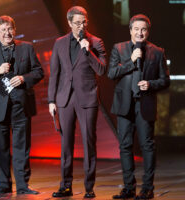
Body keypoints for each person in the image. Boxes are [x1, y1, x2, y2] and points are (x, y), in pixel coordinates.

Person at [0, 15, 44, 195]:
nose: (7, 33)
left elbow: (39, 71)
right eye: (3, 30)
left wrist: (24, 78)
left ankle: (23, 185)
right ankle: (4, 185)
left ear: (14, 30)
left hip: (21, 105)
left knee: (22, 147)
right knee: (0, 148)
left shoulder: (27, 48)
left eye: (10, 29)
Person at [108, 14, 170, 199]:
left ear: (148, 31)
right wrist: (131, 61)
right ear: (130, 30)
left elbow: (165, 80)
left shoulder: (157, 52)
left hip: (145, 104)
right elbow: (112, 73)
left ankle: (147, 188)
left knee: (147, 146)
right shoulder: (118, 48)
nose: (139, 33)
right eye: (136, 29)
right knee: (125, 146)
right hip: (124, 105)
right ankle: (128, 187)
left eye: (143, 29)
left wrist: (151, 84)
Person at [48, 6, 106, 199]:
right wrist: (51, 100)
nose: (81, 26)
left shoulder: (95, 42)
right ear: (69, 23)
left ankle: (89, 187)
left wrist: (88, 51)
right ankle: (65, 185)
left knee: (89, 142)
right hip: (65, 99)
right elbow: (55, 73)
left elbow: (101, 70)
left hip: (87, 98)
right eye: (77, 23)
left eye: (84, 22)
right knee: (66, 144)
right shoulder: (59, 43)